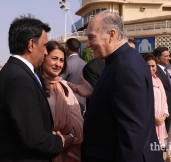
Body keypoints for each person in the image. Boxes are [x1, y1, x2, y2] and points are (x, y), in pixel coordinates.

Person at [68, 10, 164, 162]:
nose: (88, 45)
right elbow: (121, 103)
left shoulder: (123, 66)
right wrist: (95, 93)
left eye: (92, 37)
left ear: (112, 34)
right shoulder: (123, 59)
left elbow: (132, 132)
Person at [0, 15, 69, 161]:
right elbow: (35, 139)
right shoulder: (20, 79)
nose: (46, 52)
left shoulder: (14, 71)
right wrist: (63, 141)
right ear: (31, 44)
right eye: (45, 46)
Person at [36, 41, 84, 162]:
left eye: (61, 60)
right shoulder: (35, 86)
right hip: (45, 152)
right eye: (54, 59)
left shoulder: (65, 86)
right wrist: (56, 140)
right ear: (43, 58)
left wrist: (69, 137)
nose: (58, 64)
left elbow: (78, 119)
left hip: (69, 150)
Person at [144, 54, 169, 147]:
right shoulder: (142, 80)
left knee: (158, 148)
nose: (151, 68)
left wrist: (164, 116)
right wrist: (154, 117)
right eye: (148, 66)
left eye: (153, 66)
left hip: (160, 120)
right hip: (149, 119)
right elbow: (143, 102)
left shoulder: (159, 80)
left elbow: (164, 100)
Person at [61, 38, 86, 115]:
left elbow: (59, 80)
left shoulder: (66, 64)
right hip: (82, 102)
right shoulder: (85, 63)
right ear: (79, 49)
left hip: (68, 101)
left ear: (67, 48)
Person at [153, 47, 171, 134]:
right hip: (159, 111)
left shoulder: (166, 71)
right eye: (166, 56)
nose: (169, 58)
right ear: (158, 58)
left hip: (168, 109)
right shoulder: (155, 71)